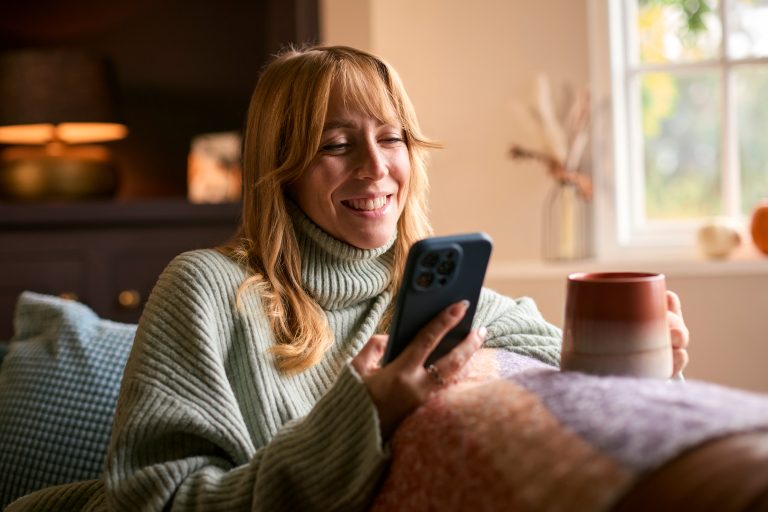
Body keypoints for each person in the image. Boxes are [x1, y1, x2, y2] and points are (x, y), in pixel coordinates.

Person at [7, 44, 689, 512]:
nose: (374, 167)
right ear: (283, 170)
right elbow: (156, 501)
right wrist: (363, 415)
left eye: (391, 138)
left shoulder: (436, 296)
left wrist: (649, 360)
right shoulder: (207, 288)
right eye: (335, 145)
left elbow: (569, 368)